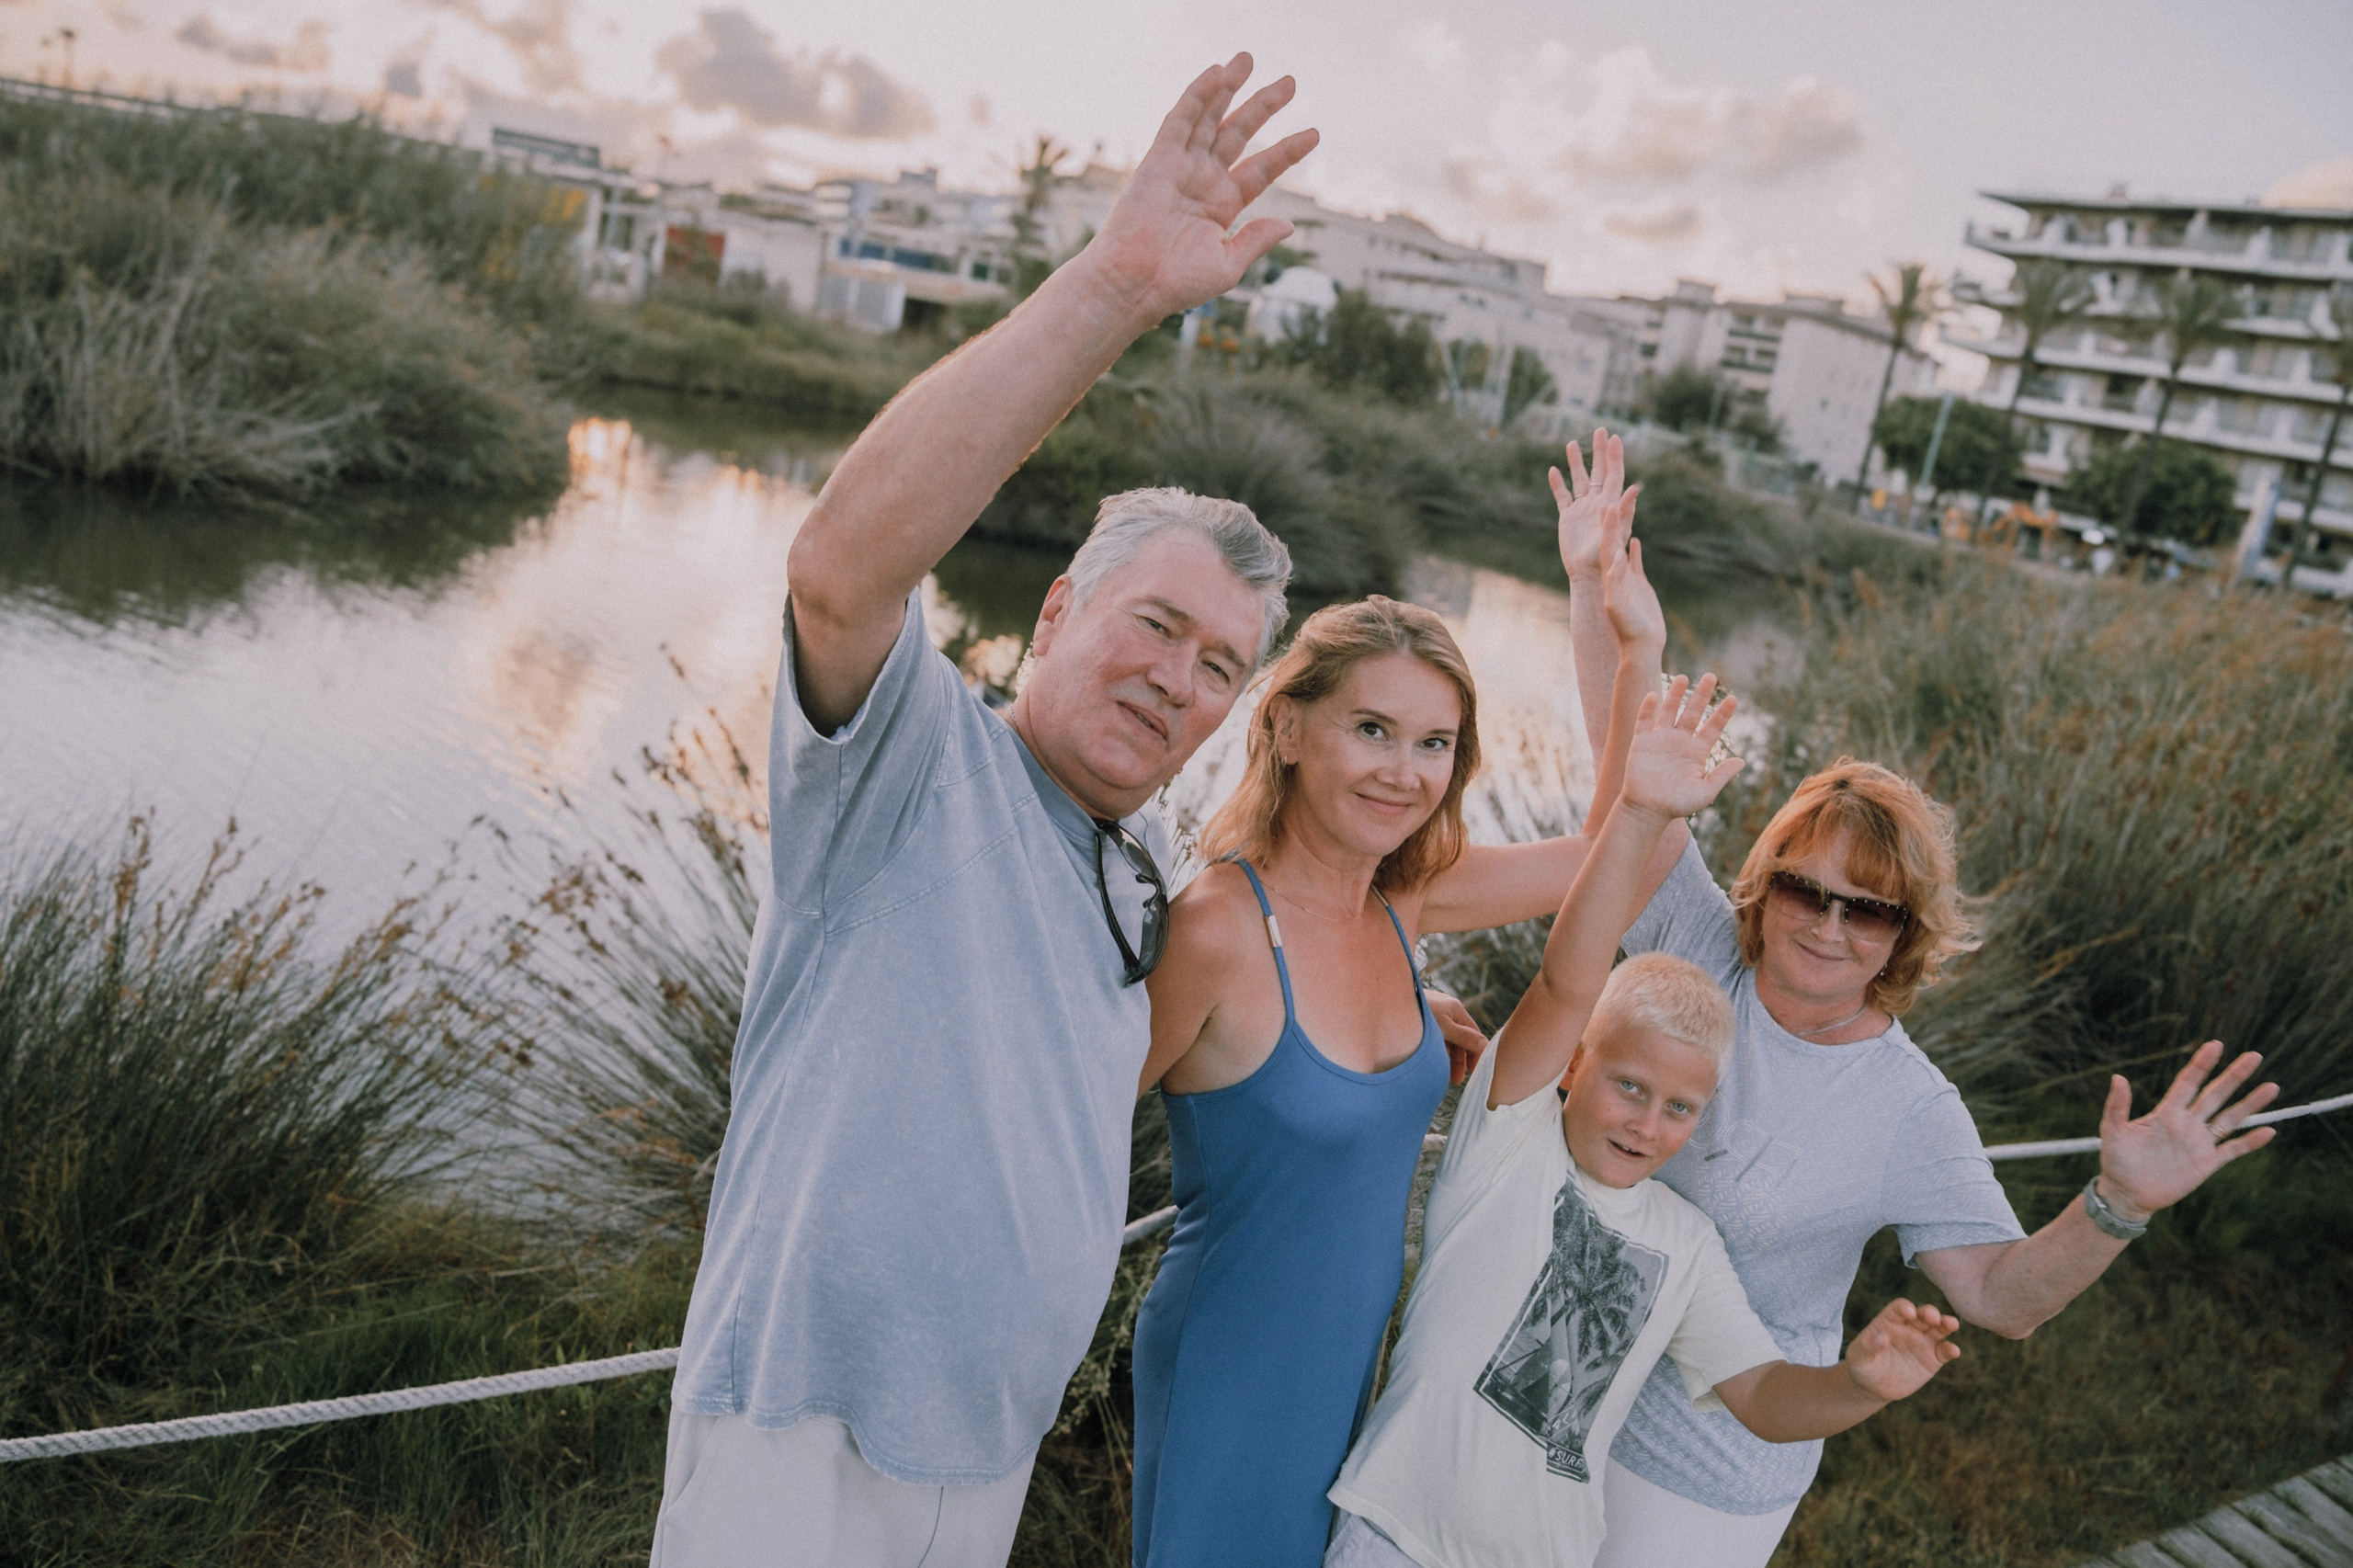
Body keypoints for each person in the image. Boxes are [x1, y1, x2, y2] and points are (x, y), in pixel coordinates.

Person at [649, 56, 1322, 1568]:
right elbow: (835, 566)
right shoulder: (912, 759)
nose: (1175, 678)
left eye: (1218, 664)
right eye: (1153, 625)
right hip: (801, 1431)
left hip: (981, 1446)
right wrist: (1118, 283)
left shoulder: (1138, 855)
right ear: (1062, 603)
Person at [1547, 449, 2282, 1568]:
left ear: (1907, 934)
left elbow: (1998, 1295)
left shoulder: (1908, 1105)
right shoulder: (1699, 947)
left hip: (1705, 1463)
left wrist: (2118, 1202)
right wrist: (1593, 590)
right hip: (1558, 1383)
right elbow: (1626, 776)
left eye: (1870, 910)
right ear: (1765, 880)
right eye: (1805, 887)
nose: (1828, 925)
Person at [1321, 566, 1964, 1568]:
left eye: (1679, 1107)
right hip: (1395, 1539)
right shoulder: (1510, 1140)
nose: (1646, 1122)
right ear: (1574, 1066)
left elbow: (1762, 1392)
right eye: (1627, 1085)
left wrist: (1859, 1382)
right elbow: (1571, 973)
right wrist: (1636, 799)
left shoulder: (1685, 1240)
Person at [1131, 443, 1650, 1568]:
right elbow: (1066, 1128)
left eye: (1434, 744)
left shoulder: (1404, 903)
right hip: (1231, 1364)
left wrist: (1604, 614)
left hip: (1358, 1372)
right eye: (1371, 728)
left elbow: (1624, 853)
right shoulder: (1218, 926)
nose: (1403, 773)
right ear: (1286, 727)